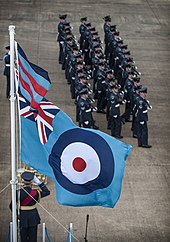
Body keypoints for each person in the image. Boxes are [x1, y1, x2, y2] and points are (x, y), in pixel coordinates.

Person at [10, 171, 50, 242]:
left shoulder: (18, 192)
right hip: (33, 217)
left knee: (23, 238)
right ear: (32, 182)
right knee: (33, 238)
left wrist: (17, 214)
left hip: (22, 216)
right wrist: (39, 182)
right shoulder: (36, 193)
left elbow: (11, 206)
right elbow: (47, 192)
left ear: (22, 181)